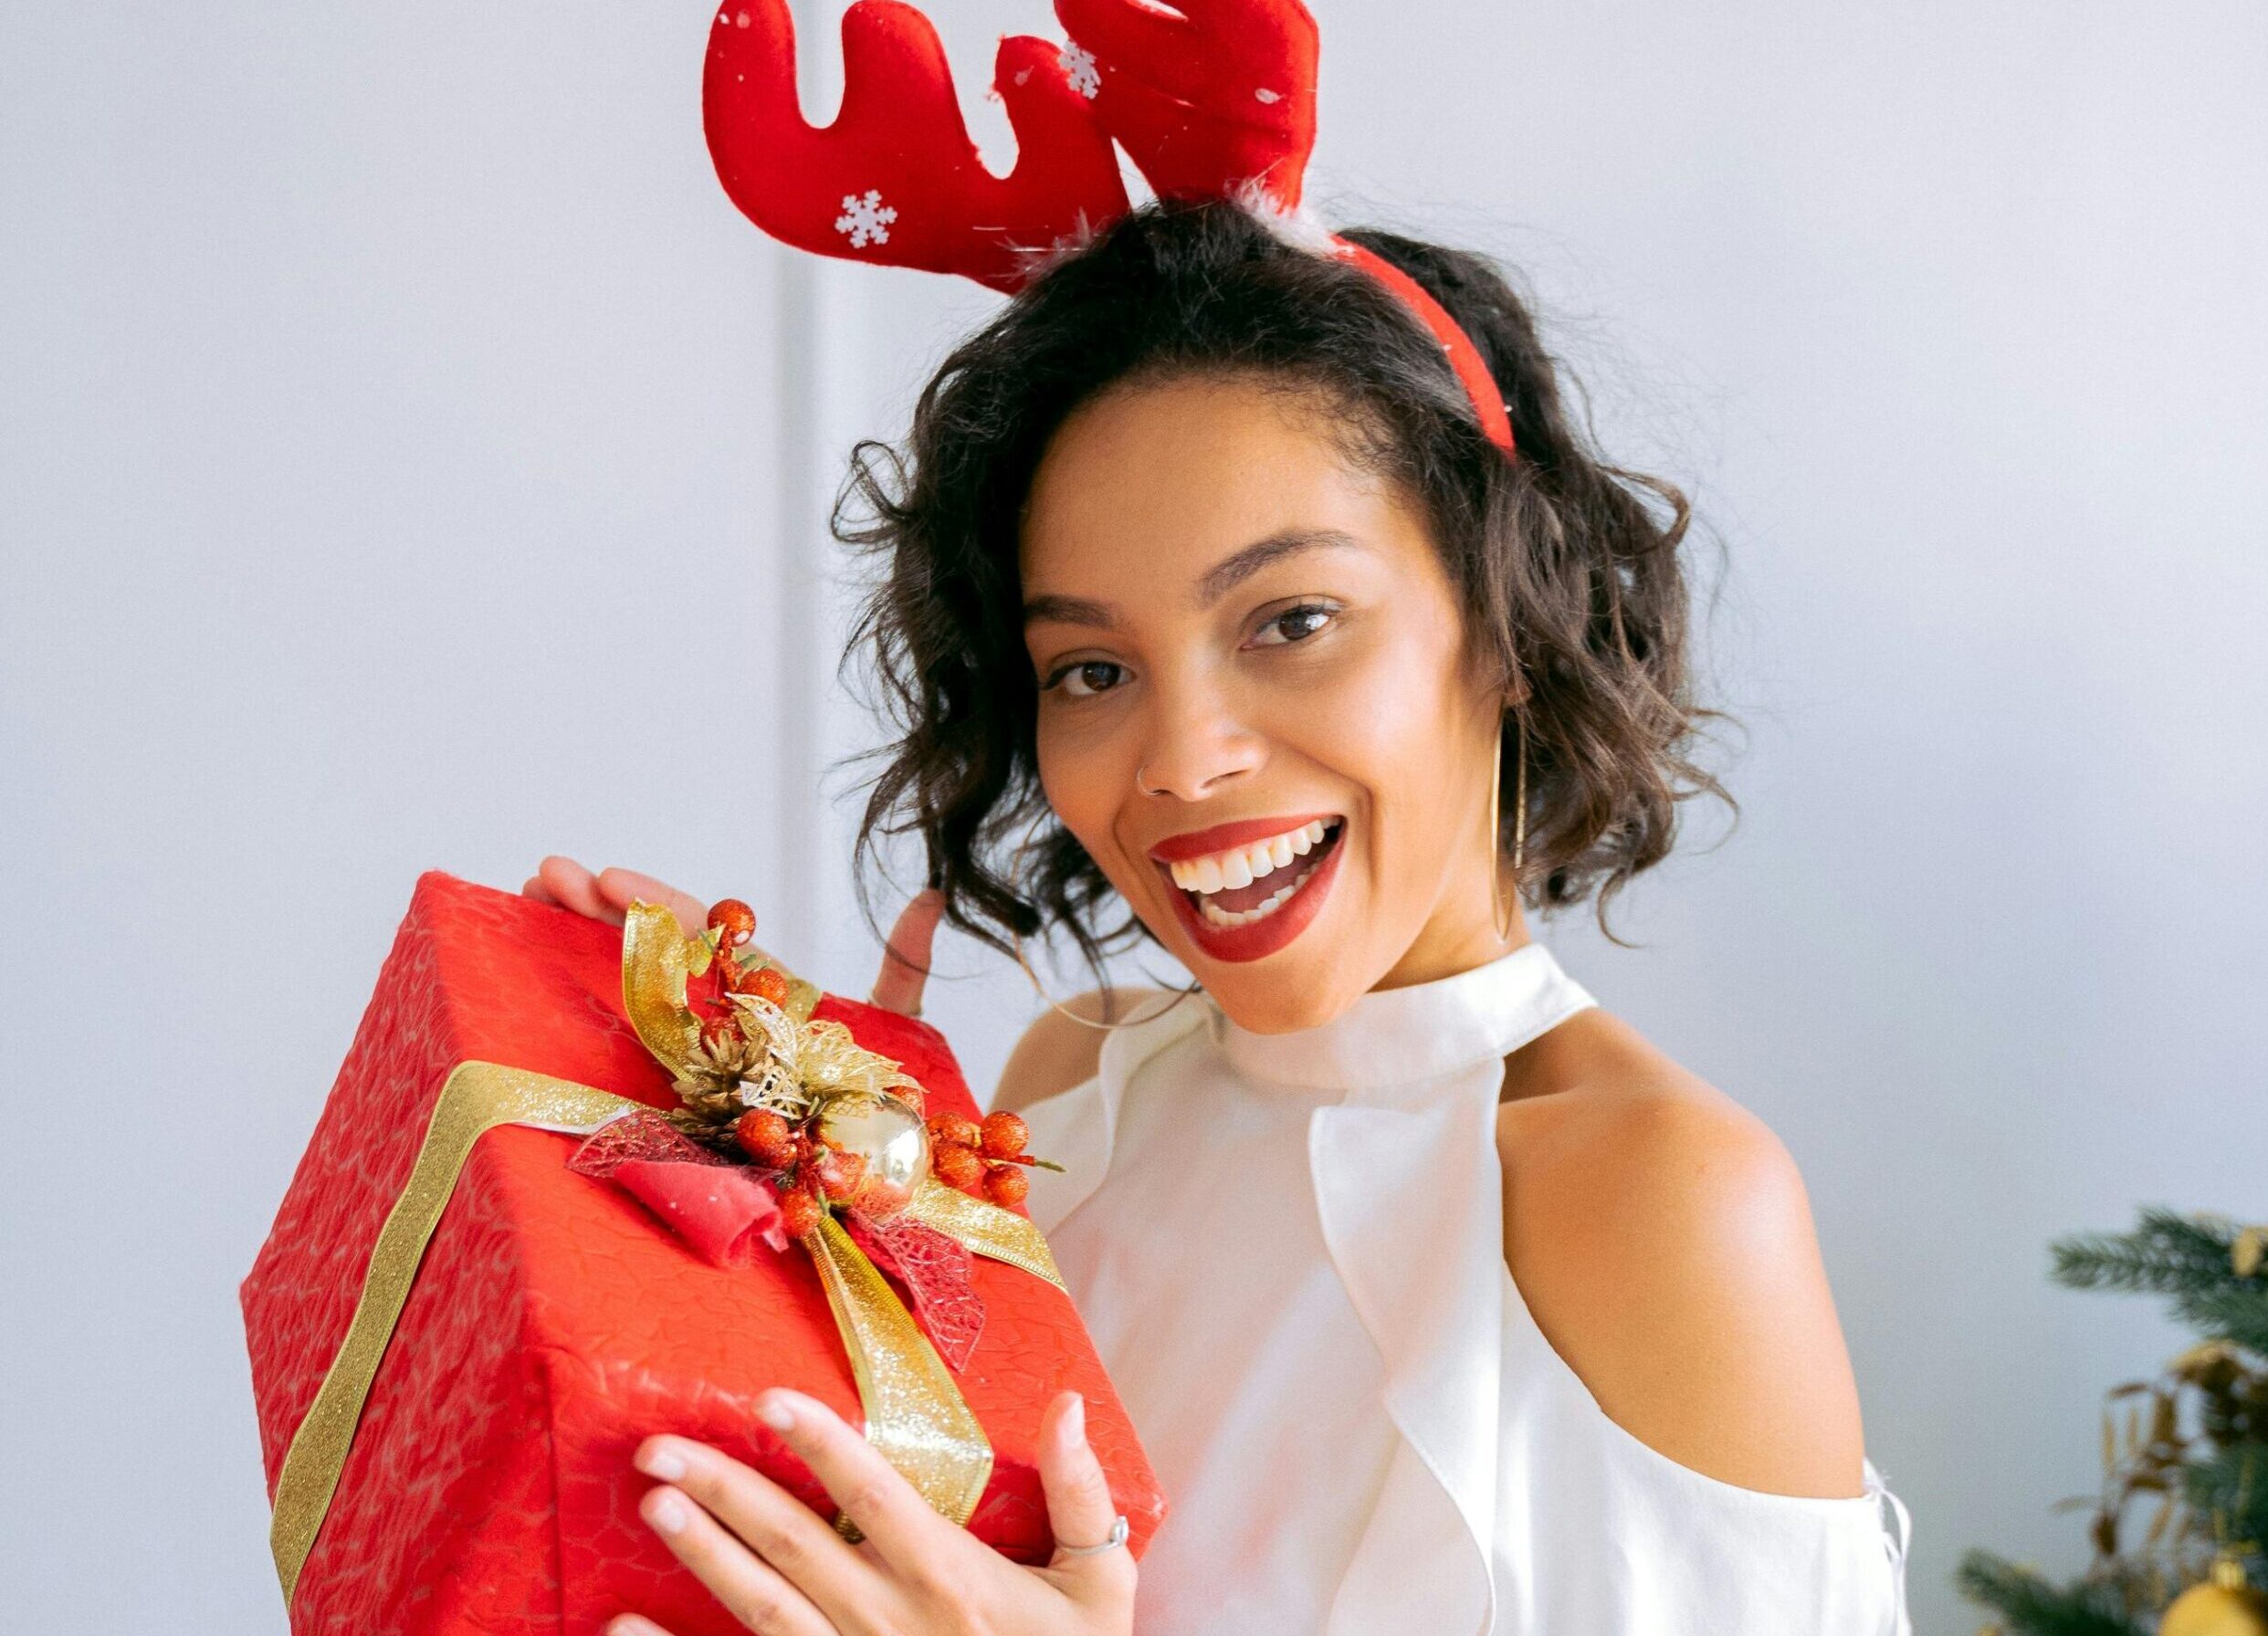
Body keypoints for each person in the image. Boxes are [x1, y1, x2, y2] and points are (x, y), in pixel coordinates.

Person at [524, 191, 1914, 1634]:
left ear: (1508, 617)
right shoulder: (1069, 1087)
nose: (1182, 761)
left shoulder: (1655, 1199)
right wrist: (762, 1133)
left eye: (1291, 622)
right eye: (1093, 670)